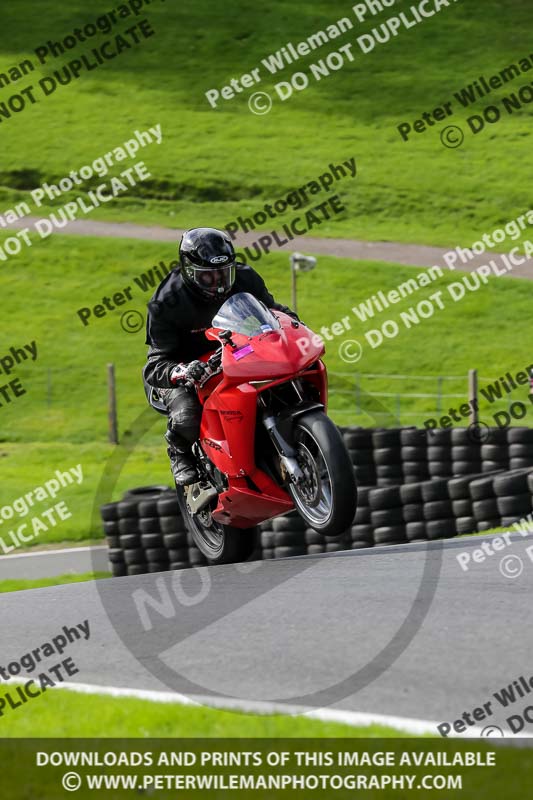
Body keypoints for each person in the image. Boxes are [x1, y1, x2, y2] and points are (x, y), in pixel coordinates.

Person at [143, 227, 298, 485]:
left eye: (224, 273)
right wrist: (181, 372)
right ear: (189, 272)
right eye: (208, 277)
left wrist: (294, 324)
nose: (218, 282)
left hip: (234, 351)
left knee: (283, 381)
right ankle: (179, 452)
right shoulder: (166, 302)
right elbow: (155, 365)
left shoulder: (246, 278)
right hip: (185, 367)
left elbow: (272, 312)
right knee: (186, 414)